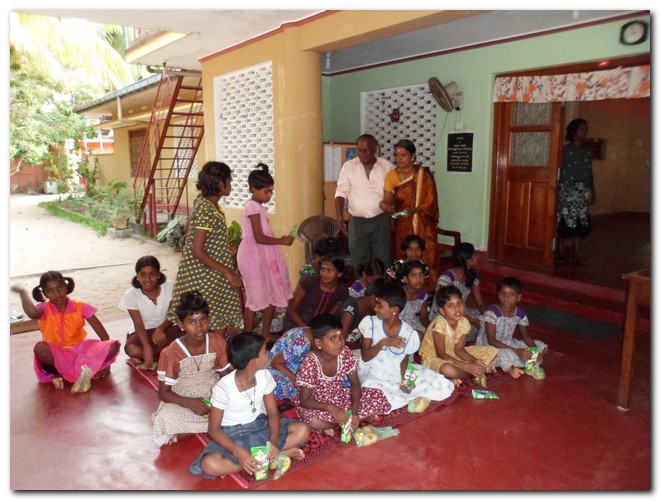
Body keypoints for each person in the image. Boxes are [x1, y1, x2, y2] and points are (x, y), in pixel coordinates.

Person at [188, 332, 310, 480]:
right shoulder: (223, 388)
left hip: (259, 425)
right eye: (264, 351)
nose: (268, 353)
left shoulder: (264, 375)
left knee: (302, 430)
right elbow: (214, 429)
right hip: (233, 434)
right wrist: (238, 452)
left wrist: (273, 441)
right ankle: (275, 456)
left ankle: (259, 459)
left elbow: (272, 413)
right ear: (253, 361)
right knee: (209, 464)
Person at [166, 161, 244, 339]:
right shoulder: (206, 210)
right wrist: (228, 272)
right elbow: (198, 251)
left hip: (212, 275)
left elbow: (189, 229)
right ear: (220, 184)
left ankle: (216, 351)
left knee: (218, 320)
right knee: (214, 321)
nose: (231, 184)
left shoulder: (205, 204)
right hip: (205, 277)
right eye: (229, 181)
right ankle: (214, 352)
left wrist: (222, 246)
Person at [10, 271, 120, 393]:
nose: (57, 294)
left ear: (66, 287)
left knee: (113, 345)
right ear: (44, 293)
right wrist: (22, 292)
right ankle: (71, 372)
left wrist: (106, 361)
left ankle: (69, 374)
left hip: (80, 353)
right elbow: (32, 313)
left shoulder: (81, 307)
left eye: (60, 288)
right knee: (40, 349)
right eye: (50, 291)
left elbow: (103, 335)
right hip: (57, 356)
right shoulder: (44, 308)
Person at [356, 281, 454, 411]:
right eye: (376, 304)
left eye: (380, 305)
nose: (375, 308)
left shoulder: (408, 333)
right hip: (373, 370)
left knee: (435, 381)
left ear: (394, 310)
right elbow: (365, 356)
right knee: (370, 387)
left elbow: (406, 360)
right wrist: (382, 343)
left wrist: (406, 380)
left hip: (396, 370)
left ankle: (406, 395)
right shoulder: (371, 324)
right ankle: (403, 398)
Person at [152, 291, 232, 447]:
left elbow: (225, 376)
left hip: (213, 390)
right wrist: (188, 402)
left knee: (241, 403)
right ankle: (212, 426)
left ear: (209, 320)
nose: (199, 326)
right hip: (183, 395)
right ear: (181, 325)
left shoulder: (217, 341)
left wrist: (221, 398)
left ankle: (189, 430)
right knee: (165, 417)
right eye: (192, 322)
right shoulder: (171, 352)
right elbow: (163, 393)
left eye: (203, 320)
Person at [296, 314, 390, 435]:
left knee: (378, 396)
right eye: (332, 339)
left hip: (339, 396)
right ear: (319, 343)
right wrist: (331, 408)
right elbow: (304, 400)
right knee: (313, 420)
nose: (339, 343)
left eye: (341, 337)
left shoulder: (345, 353)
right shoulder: (310, 362)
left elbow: (355, 384)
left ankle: (343, 421)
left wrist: (355, 412)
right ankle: (344, 422)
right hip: (317, 403)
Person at [237, 163, 295, 338]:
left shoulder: (260, 207)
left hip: (265, 254)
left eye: (271, 191)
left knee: (270, 292)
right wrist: (281, 240)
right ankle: (247, 337)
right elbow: (259, 237)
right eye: (266, 191)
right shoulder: (252, 207)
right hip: (253, 256)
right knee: (254, 298)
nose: (269, 195)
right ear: (254, 190)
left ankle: (265, 333)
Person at [379, 139, 439, 285]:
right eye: (396, 155)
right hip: (403, 223)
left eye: (403, 155)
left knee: (426, 254)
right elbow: (387, 200)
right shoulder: (391, 176)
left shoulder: (424, 174)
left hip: (424, 223)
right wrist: (384, 205)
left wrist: (414, 210)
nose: (399, 158)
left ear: (412, 156)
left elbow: (431, 202)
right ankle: (403, 286)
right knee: (404, 254)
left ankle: (427, 288)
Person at [420, 285, 498, 387]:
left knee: (492, 351)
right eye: (450, 305)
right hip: (434, 357)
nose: (457, 308)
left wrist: (474, 360)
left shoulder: (464, 322)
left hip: (453, 354)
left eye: (459, 303)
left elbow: (459, 349)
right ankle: (473, 372)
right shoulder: (439, 324)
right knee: (448, 370)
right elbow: (441, 354)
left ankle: (474, 370)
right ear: (442, 311)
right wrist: (466, 366)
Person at [334, 134, 394, 269]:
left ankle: (381, 283)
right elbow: (341, 192)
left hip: (380, 220)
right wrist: (340, 216)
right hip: (357, 222)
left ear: (375, 149)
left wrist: (391, 216)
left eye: (365, 150)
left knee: (382, 257)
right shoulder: (349, 166)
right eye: (359, 150)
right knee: (359, 258)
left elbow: (393, 193)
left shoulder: (387, 167)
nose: (362, 154)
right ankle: (361, 283)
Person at [476, 277, 548, 380]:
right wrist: (517, 351)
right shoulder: (492, 313)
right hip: (489, 346)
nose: (507, 298)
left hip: (508, 343)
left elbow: (526, 336)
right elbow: (491, 340)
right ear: (498, 295)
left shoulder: (520, 313)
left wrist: (536, 351)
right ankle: (512, 368)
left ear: (519, 297)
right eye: (503, 294)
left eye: (511, 294)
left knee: (538, 345)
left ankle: (529, 367)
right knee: (506, 354)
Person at [120, 256, 179, 369]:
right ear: (137, 276)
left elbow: (173, 314)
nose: (147, 279)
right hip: (143, 332)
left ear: (158, 275)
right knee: (131, 349)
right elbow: (138, 323)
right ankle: (161, 352)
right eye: (142, 274)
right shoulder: (130, 294)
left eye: (152, 274)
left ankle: (155, 354)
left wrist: (160, 329)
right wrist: (146, 346)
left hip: (166, 328)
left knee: (191, 335)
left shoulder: (169, 286)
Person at [267, 314, 335, 401]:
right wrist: (297, 380)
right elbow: (275, 363)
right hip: (276, 372)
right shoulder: (301, 342)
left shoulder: (310, 333)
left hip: (291, 369)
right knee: (311, 394)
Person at [557, 118, 596, 265]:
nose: (584, 132)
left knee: (580, 222)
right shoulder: (565, 150)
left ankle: (576, 255)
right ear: (574, 131)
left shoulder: (588, 151)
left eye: (586, 129)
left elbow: (589, 172)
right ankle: (560, 254)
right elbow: (558, 170)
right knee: (565, 222)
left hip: (582, 191)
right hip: (567, 190)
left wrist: (592, 191)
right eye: (581, 129)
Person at [428, 242, 486, 342]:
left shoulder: (471, 276)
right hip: (444, 314)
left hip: (460, 311)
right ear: (468, 260)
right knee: (471, 326)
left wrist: (486, 317)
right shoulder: (446, 279)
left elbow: (480, 303)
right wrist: (473, 321)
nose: (477, 256)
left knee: (484, 321)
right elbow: (444, 307)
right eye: (475, 254)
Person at [281, 255, 350, 332]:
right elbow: (291, 309)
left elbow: (331, 313)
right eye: (322, 269)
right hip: (294, 324)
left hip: (318, 329)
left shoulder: (342, 290)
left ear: (339, 274)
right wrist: (306, 329)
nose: (324, 274)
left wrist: (319, 330)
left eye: (329, 270)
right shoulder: (309, 282)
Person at [337, 278, 386, 350]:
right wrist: (362, 346)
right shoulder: (350, 312)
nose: (380, 308)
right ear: (373, 299)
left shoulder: (371, 313)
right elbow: (340, 341)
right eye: (381, 304)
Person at [391, 260, 430, 342]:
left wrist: (430, 328)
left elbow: (424, 317)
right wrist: (411, 332)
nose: (418, 279)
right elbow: (391, 319)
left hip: (415, 326)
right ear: (405, 279)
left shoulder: (422, 294)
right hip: (398, 328)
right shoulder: (398, 294)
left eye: (421, 275)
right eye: (413, 275)